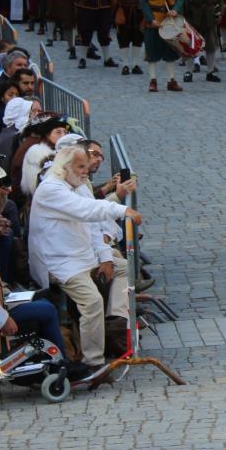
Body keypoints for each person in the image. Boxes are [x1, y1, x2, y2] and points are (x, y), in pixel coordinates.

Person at [29, 145, 143, 373]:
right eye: (80, 167)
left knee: (123, 267)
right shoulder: (51, 189)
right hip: (60, 262)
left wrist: (104, 257)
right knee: (91, 302)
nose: (85, 171)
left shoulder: (76, 186)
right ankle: (93, 362)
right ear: (65, 167)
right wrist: (121, 211)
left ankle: (117, 319)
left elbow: (92, 226)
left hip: (82, 255)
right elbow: (85, 210)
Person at [139, 0, 184, 92]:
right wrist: (150, 18)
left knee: (170, 51)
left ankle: (171, 80)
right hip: (154, 19)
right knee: (151, 50)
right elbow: (143, 1)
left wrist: (176, 9)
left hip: (169, 19)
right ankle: (153, 80)